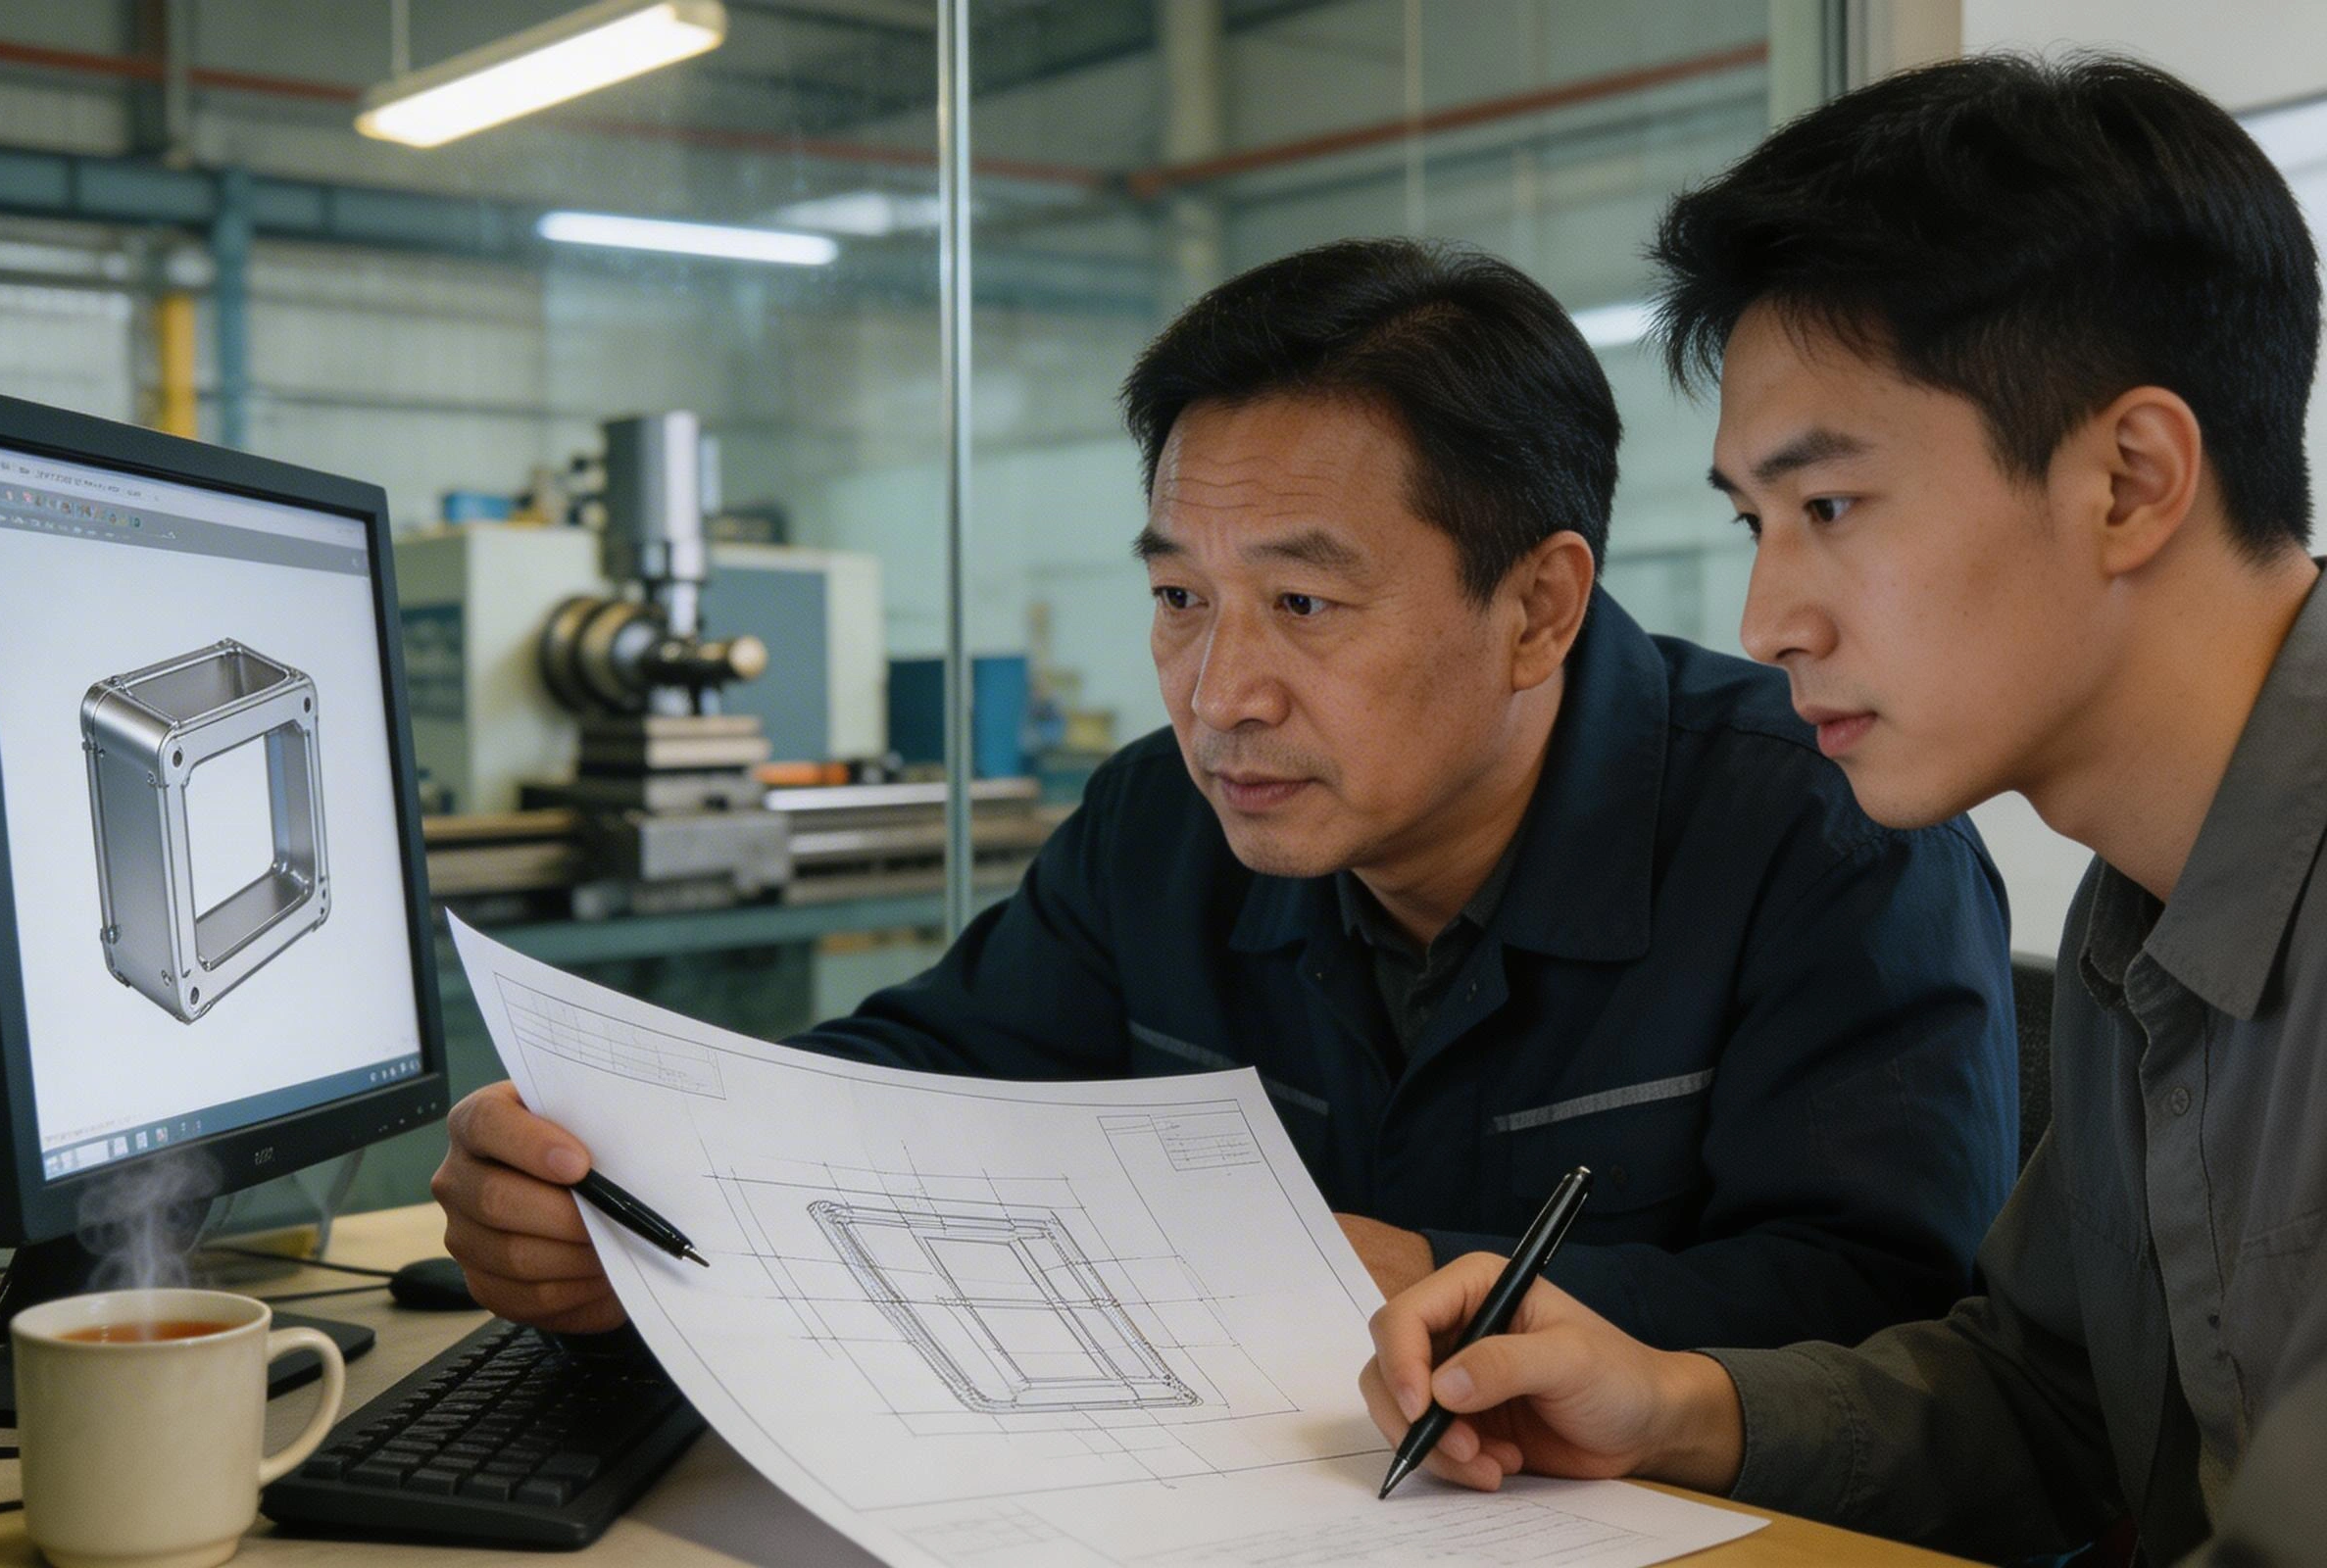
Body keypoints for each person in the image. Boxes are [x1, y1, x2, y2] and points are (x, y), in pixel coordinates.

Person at [432, 238, 2017, 1357]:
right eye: (1183, 599)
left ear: (1538, 607)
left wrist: (1429, 1275)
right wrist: (627, 1176)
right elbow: (909, 1089)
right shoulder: (1163, 829)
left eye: (1304, 608)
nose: (1219, 694)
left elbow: (1890, 1306)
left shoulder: (1822, 831)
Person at [1361, 55, 2327, 1565]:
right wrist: (1669, 1404)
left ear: (2132, 481)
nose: (1767, 620)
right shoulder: (2139, 907)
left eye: (1830, 509)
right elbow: (2053, 1400)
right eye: (1756, 523)